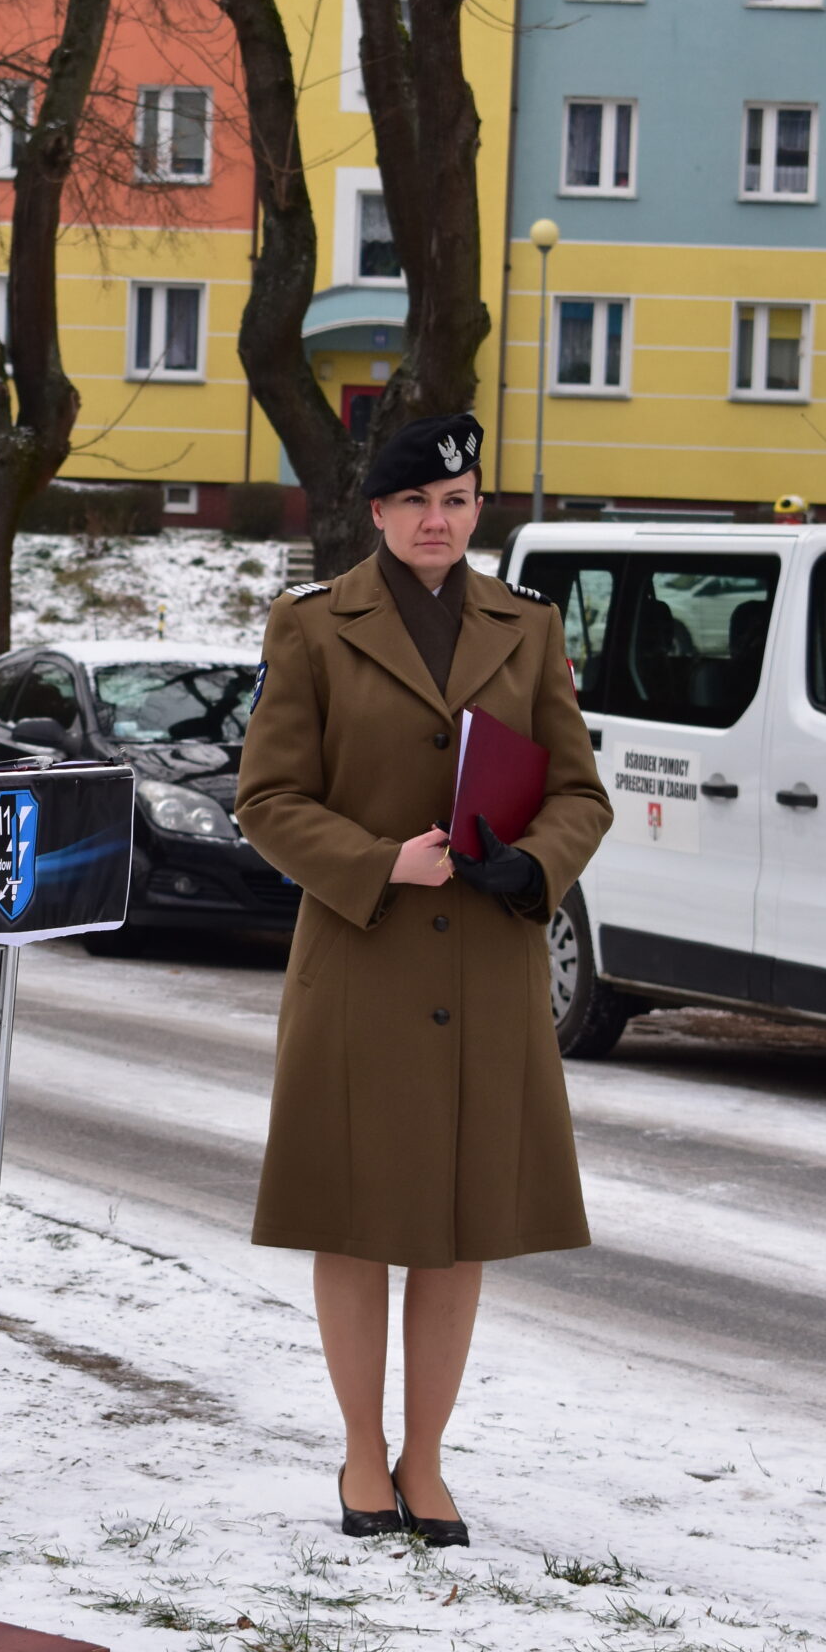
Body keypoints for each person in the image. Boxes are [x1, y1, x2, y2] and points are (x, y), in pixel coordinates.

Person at [235, 412, 611, 1547]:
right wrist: (376, 862)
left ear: (477, 507)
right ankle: (362, 1452)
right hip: (362, 958)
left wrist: (533, 863)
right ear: (378, 513)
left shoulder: (527, 626)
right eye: (414, 502)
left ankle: (427, 1459)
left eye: (455, 501)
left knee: (459, 1225)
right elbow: (267, 799)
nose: (436, 521)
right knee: (353, 1220)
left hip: (487, 966)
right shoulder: (312, 624)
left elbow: (579, 792)